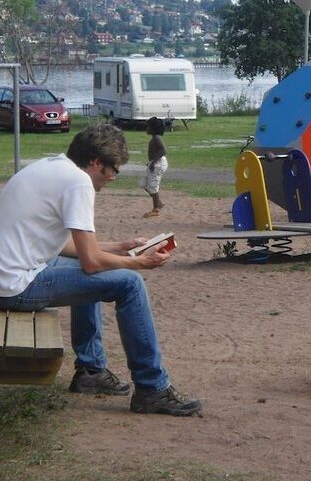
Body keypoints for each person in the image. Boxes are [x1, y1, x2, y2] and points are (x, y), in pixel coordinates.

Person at [0, 123, 202, 417]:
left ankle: (91, 371)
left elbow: (68, 248)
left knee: (96, 273)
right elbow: (91, 261)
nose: (113, 177)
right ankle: (152, 389)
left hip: (14, 271)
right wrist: (137, 263)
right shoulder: (78, 183)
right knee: (129, 283)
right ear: (96, 162)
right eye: (113, 169)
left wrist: (121, 247)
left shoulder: (50, 167)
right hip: (16, 285)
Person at [141, 116, 168, 218]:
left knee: (152, 185)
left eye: (148, 127)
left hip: (158, 163)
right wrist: (150, 162)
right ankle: (159, 203)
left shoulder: (157, 138)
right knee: (144, 184)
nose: (146, 129)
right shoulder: (154, 138)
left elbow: (163, 150)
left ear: (153, 128)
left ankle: (156, 209)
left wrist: (153, 162)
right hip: (155, 162)